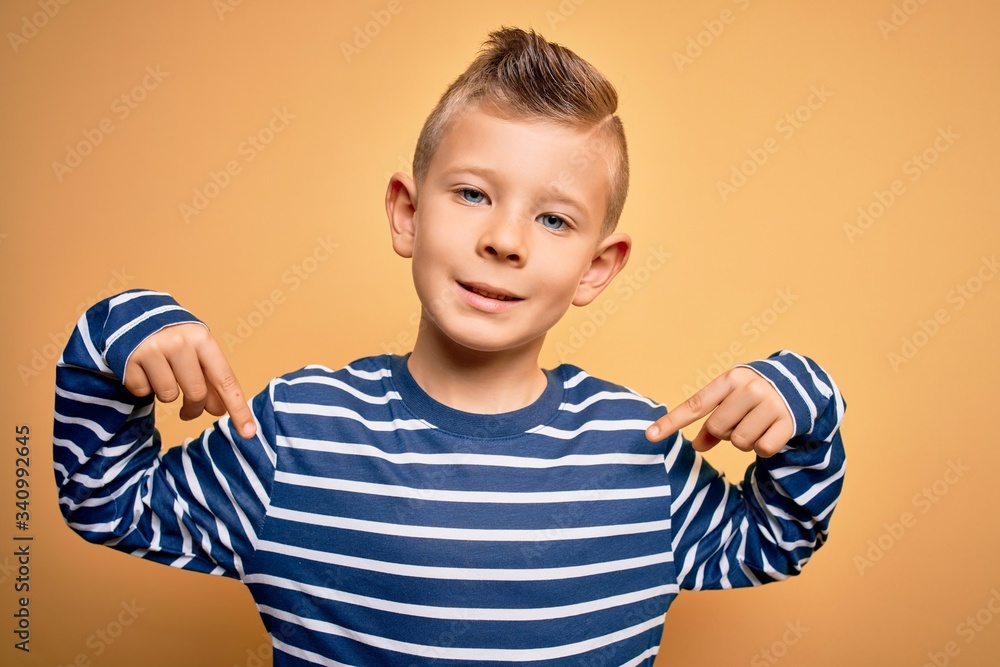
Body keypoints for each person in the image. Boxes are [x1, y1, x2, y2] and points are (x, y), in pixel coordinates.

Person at [54, 27, 846, 666]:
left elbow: (778, 537)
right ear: (407, 212)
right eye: (473, 193)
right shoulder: (295, 434)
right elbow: (103, 497)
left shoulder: (639, 454)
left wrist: (804, 400)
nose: (504, 239)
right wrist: (118, 333)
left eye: (555, 219)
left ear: (596, 268)